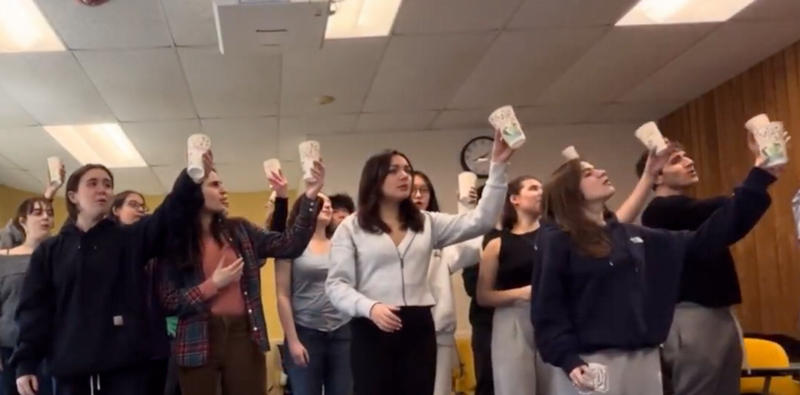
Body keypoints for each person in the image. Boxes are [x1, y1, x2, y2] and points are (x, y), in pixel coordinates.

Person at [531, 141, 782, 395]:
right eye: (588, 173)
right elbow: (547, 309)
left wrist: (760, 178)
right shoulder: (558, 240)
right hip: (591, 362)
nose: (600, 172)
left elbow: (708, 240)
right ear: (570, 193)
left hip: (644, 358)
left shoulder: (633, 237)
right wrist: (568, 359)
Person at [325, 129, 513, 395]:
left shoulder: (427, 223)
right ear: (374, 179)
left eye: (407, 169)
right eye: (394, 170)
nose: (405, 176)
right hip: (372, 325)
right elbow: (336, 286)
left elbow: (481, 220)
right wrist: (370, 307)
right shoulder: (351, 227)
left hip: (419, 325)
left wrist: (498, 167)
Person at [12, 155, 210, 395]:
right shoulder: (50, 251)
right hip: (71, 373)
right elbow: (34, 311)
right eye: (92, 183)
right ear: (73, 197)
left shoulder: (129, 240)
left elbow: (168, 217)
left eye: (107, 184)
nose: (102, 190)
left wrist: (190, 178)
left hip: (126, 372)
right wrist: (26, 362)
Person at [158, 162, 325, 395]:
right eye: (215, 185)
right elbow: (169, 301)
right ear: (193, 192)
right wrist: (212, 285)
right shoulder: (173, 241)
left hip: (244, 334)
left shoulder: (240, 230)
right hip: (197, 338)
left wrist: (310, 196)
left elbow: (289, 245)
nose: (223, 190)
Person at [635, 140, 771, 395]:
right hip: (694, 317)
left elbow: (726, 212)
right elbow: (724, 213)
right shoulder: (660, 211)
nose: (689, 162)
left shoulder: (687, 210)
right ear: (657, 175)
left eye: (686, 156)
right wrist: (759, 177)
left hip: (713, 315)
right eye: (676, 160)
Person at [409, 170, 480, 395]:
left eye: (424, 190)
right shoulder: (385, 233)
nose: (419, 195)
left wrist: (467, 208)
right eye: (413, 190)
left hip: (437, 329)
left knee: (438, 390)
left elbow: (470, 251)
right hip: (399, 329)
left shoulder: (439, 234)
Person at [275, 194, 351, 395]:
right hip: (305, 333)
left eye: (328, 204)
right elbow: (282, 295)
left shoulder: (341, 245)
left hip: (342, 331)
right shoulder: (290, 245)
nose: (327, 206)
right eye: (321, 203)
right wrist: (292, 341)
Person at [476, 175, 544, 395]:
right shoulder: (496, 244)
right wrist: (523, 293)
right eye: (533, 188)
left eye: (542, 188)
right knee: (515, 387)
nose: (540, 193)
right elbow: (483, 296)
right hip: (512, 321)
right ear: (515, 199)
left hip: (552, 317)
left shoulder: (557, 237)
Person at [108, 191, 172, 395]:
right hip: (119, 346)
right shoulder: (107, 246)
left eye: (142, 206)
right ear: (116, 210)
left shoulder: (155, 248)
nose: (139, 210)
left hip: (155, 342)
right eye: (132, 204)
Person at [0, 198, 58, 395]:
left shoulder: (60, 257)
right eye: (38, 213)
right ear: (22, 221)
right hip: (8, 349)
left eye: (49, 213)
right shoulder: (4, 259)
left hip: (49, 350)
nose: (45, 218)